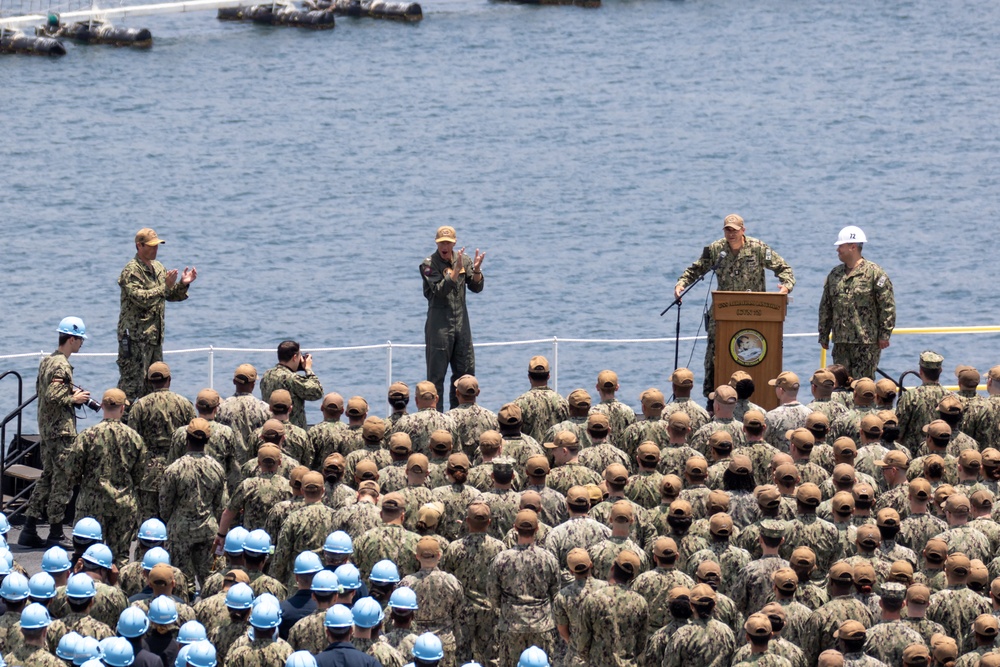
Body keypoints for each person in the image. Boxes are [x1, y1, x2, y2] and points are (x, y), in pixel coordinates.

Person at [673, 214, 795, 398]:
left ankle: (760, 394)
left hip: (756, 313)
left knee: (755, 352)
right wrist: (681, 284)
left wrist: (786, 286)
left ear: (743, 231)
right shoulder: (716, 250)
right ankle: (712, 397)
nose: (731, 234)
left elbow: (784, 269)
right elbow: (696, 269)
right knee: (714, 352)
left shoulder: (758, 248)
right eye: (727, 230)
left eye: (734, 230)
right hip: (723, 313)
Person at [20, 317, 92, 549]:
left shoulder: (48, 361)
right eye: (80, 339)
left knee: (48, 477)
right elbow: (53, 395)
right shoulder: (61, 364)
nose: (81, 344)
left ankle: (29, 528)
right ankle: (56, 532)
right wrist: (74, 398)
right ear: (71, 339)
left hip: (47, 428)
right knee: (64, 479)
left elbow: (43, 391)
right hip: (61, 431)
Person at [116, 227, 196, 402]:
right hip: (135, 339)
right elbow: (141, 298)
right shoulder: (131, 271)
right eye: (151, 246)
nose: (155, 249)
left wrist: (183, 284)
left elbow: (168, 295)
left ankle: (146, 427)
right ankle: (121, 426)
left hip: (154, 339)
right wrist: (165, 287)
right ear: (139, 246)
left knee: (154, 387)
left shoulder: (158, 268)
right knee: (131, 387)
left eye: (157, 245)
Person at [818, 226, 896, 382]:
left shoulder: (875, 273)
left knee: (863, 385)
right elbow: (826, 307)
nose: (837, 250)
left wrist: (884, 334)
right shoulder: (835, 275)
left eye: (841, 246)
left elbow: (887, 306)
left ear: (852, 247)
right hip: (841, 342)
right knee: (840, 385)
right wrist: (824, 334)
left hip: (865, 343)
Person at [421, 225, 486, 411]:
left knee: (465, 377)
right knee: (435, 379)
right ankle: (437, 420)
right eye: (441, 243)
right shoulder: (428, 264)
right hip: (439, 328)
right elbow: (439, 291)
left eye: (448, 243)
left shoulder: (463, 260)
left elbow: (477, 288)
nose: (445, 246)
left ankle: (460, 417)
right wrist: (455, 272)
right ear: (436, 243)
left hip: (461, 327)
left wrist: (477, 271)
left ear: (454, 243)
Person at [261, 341, 324, 430]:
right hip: (292, 432)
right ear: (295, 357)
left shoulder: (266, 375)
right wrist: (308, 369)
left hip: (271, 429)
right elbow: (317, 392)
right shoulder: (293, 379)